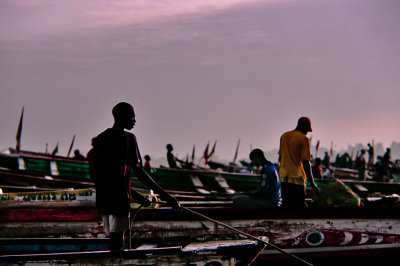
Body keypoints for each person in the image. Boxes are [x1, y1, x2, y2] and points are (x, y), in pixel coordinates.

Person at [88, 102, 181, 250]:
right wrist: (167, 197)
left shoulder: (100, 138)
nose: (134, 120)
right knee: (118, 243)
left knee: (113, 240)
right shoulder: (128, 138)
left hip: (104, 200)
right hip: (119, 200)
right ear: (123, 117)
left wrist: (135, 195)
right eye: (132, 117)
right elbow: (140, 173)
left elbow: (105, 176)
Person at [278, 117, 319, 208]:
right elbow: (306, 162)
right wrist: (312, 183)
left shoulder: (284, 136)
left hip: (283, 177)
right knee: (299, 205)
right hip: (297, 178)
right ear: (304, 127)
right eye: (307, 130)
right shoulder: (304, 139)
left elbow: (280, 158)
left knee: (286, 205)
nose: (307, 133)